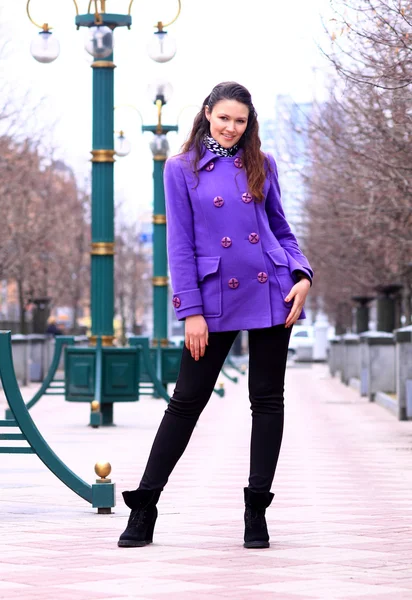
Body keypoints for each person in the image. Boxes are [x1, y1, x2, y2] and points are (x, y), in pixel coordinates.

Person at [118, 82, 313, 549]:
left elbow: (282, 230)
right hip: (214, 298)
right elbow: (179, 244)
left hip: (273, 291)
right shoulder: (181, 169)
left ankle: (256, 510)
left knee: (267, 400)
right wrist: (190, 311)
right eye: (224, 117)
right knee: (186, 402)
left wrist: (303, 273)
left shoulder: (262, 165)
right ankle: (145, 505)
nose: (231, 128)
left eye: (240, 121)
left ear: (250, 124)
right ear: (207, 114)